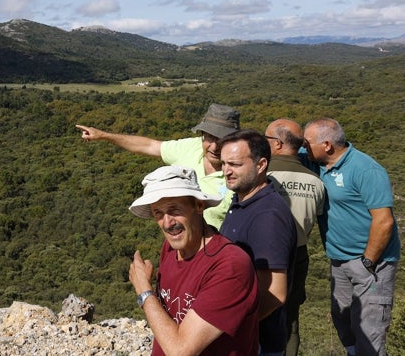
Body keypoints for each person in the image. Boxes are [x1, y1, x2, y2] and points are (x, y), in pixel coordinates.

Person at [128, 165, 259, 356]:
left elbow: (181, 351)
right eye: (158, 213)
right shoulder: (171, 248)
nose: (167, 223)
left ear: (198, 206)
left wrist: (144, 292)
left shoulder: (230, 265)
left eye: (174, 210)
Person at [303, 118, 400, 356]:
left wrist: (368, 261)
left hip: (372, 263)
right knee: (343, 320)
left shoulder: (365, 169)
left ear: (326, 145)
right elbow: (286, 147)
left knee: (369, 330)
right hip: (339, 260)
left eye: (308, 143)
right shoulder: (319, 164)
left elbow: (384, 221)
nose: (304, 148)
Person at [76, 103, 240, 229]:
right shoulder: (190, 148)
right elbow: (149, 146)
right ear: (202, 135)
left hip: (219, 255)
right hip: (179, 244)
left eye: (222, 140)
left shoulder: (241, 172)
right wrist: (104, 135)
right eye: (209, 138)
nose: (213, 147)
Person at [218, 129, 297, 356]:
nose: (226, 171)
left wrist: (229, 327)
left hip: (258, 344)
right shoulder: (243, 200)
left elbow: (274, 292)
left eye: (234, 164)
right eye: (223, 163)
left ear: (261, 165)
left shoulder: (267, 216)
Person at [265, 118, 326, 356]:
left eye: (266, 139)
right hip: (298, 255)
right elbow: (312, 222)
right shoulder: (316, 182)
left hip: (261, 256)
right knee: (291, 319)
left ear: (278, 144)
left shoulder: (261, 174)